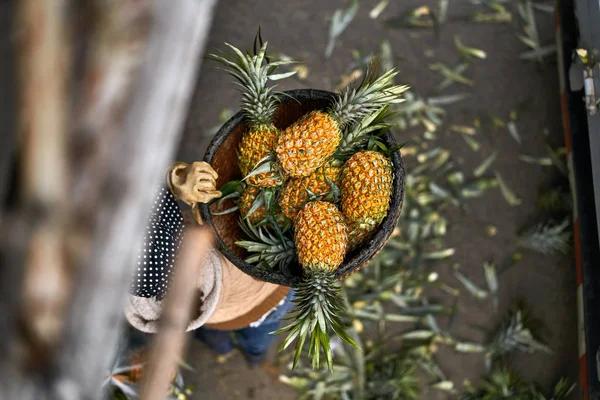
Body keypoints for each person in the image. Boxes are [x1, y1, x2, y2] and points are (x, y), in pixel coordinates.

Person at [124, 161, 295, 367]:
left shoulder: (141, 293)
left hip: (217, 317)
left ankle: (222, 348)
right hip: (263, 303)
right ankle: (254, 356)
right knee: (260, 333)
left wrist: (172, 179)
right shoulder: (214, 254)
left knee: (216, 330)